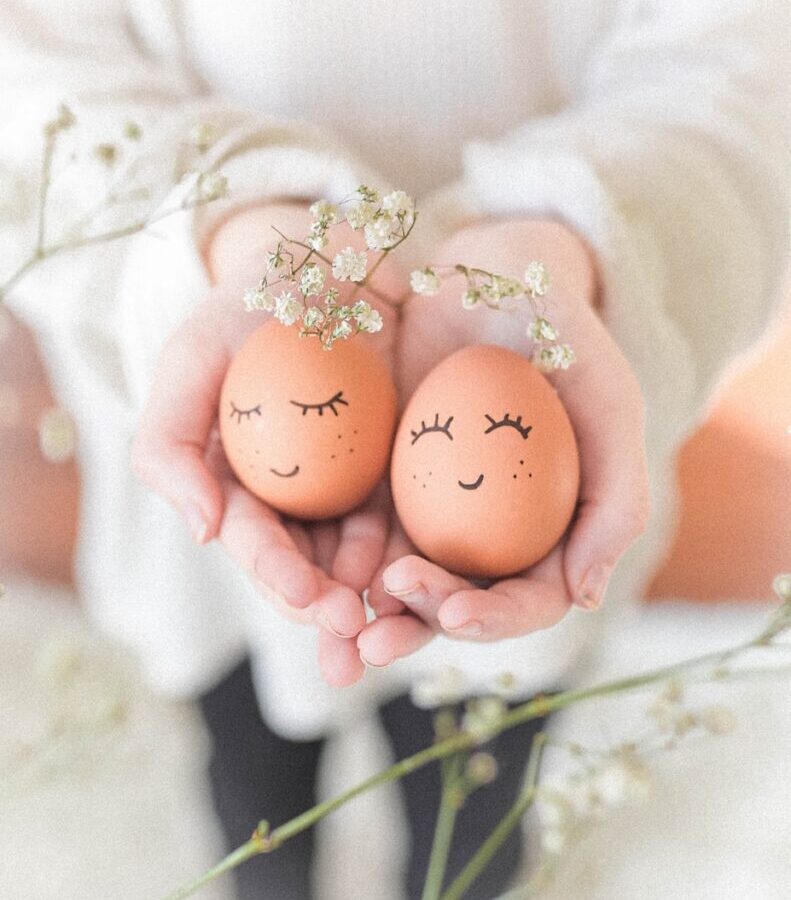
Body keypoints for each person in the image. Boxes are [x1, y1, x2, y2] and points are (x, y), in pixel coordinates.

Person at [2, 3, 789, 897]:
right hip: (219, 473)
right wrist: (232, 221)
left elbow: (741, 70)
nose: (457, 451)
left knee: (477, 790)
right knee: (251, 773)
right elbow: (30, 68)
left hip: (544, 425)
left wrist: (570, 236)